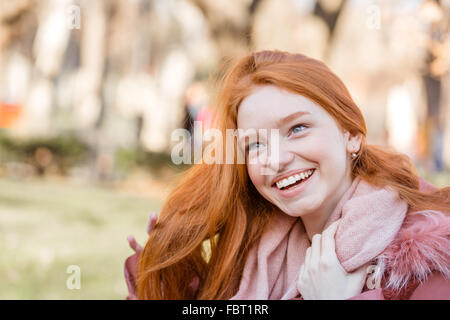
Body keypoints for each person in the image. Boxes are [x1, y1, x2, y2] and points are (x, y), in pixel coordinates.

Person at [125, 50, 449, 300]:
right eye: (254, 145)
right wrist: (166, 273)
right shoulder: (258, 248)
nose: (275, 160)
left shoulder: (428, 255)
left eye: (297, 128)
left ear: (351, 134)